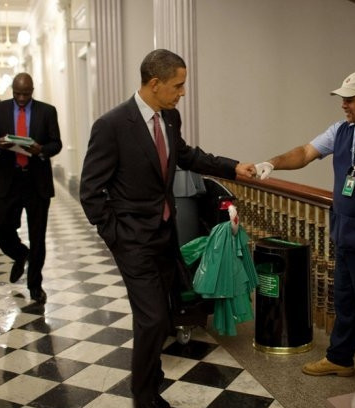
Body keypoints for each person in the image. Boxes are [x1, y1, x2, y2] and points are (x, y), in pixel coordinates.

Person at [79, 49, 255, 408]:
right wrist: (114, 235)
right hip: (132, 239)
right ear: (155, 83)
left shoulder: (169, 118)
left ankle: (151, 375)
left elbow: (188, 156)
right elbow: (90, 191)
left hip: (164, 234)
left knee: (162, 313)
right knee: (153, 317)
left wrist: (233, 167)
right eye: (178, 85)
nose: (183, 92)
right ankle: (143, 397)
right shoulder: (112, 125)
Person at [254, 71, 355, 377]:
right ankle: (340, 358)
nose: (344, 106)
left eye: (350, 100)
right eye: (343, 100)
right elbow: (306, 153)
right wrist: (272, 162)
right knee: (344, 301)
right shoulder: (341, 131)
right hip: (344, 233)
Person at [0, 73, 62, 304]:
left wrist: (40, 150)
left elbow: (56, 143)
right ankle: (20, 254)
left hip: (36, 181)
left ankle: (35, 286)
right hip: (8, 180)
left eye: (26, 94)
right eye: (17, 93)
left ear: (32, 90)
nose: (21, 98)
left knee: (38, 236)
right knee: (0, 224)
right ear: (12, 89)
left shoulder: (47, 111)